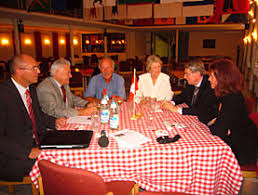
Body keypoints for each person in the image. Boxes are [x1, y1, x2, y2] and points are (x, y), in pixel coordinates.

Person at [0, 54, 67, 182]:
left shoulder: (30, 88)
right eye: (34, 68)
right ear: (19, 71)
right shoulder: (3, 95)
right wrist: (28, 152)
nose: (39, 71)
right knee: (58, 167)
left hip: (37, 142)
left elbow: (38, 116)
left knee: (67, 149)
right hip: (13, 156)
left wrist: (54, 121)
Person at [208, 58, 257, 166]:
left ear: (222, 78)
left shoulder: (232, 99)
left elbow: (218, 131)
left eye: (212, 76)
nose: (209, 79)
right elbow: (216, 122)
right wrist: (221, 126)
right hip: (236, 140)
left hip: (243, 149)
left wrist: (219, 126)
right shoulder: (225, 95)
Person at [162, 60, 218, 124]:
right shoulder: (191, 82)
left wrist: (176, 109)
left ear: (197, 73)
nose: (184, 77)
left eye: (187, 74)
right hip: (193, 119)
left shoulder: (210, 85)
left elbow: (201, 109)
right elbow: (182, 96)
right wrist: (171, 102)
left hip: (207, 122)